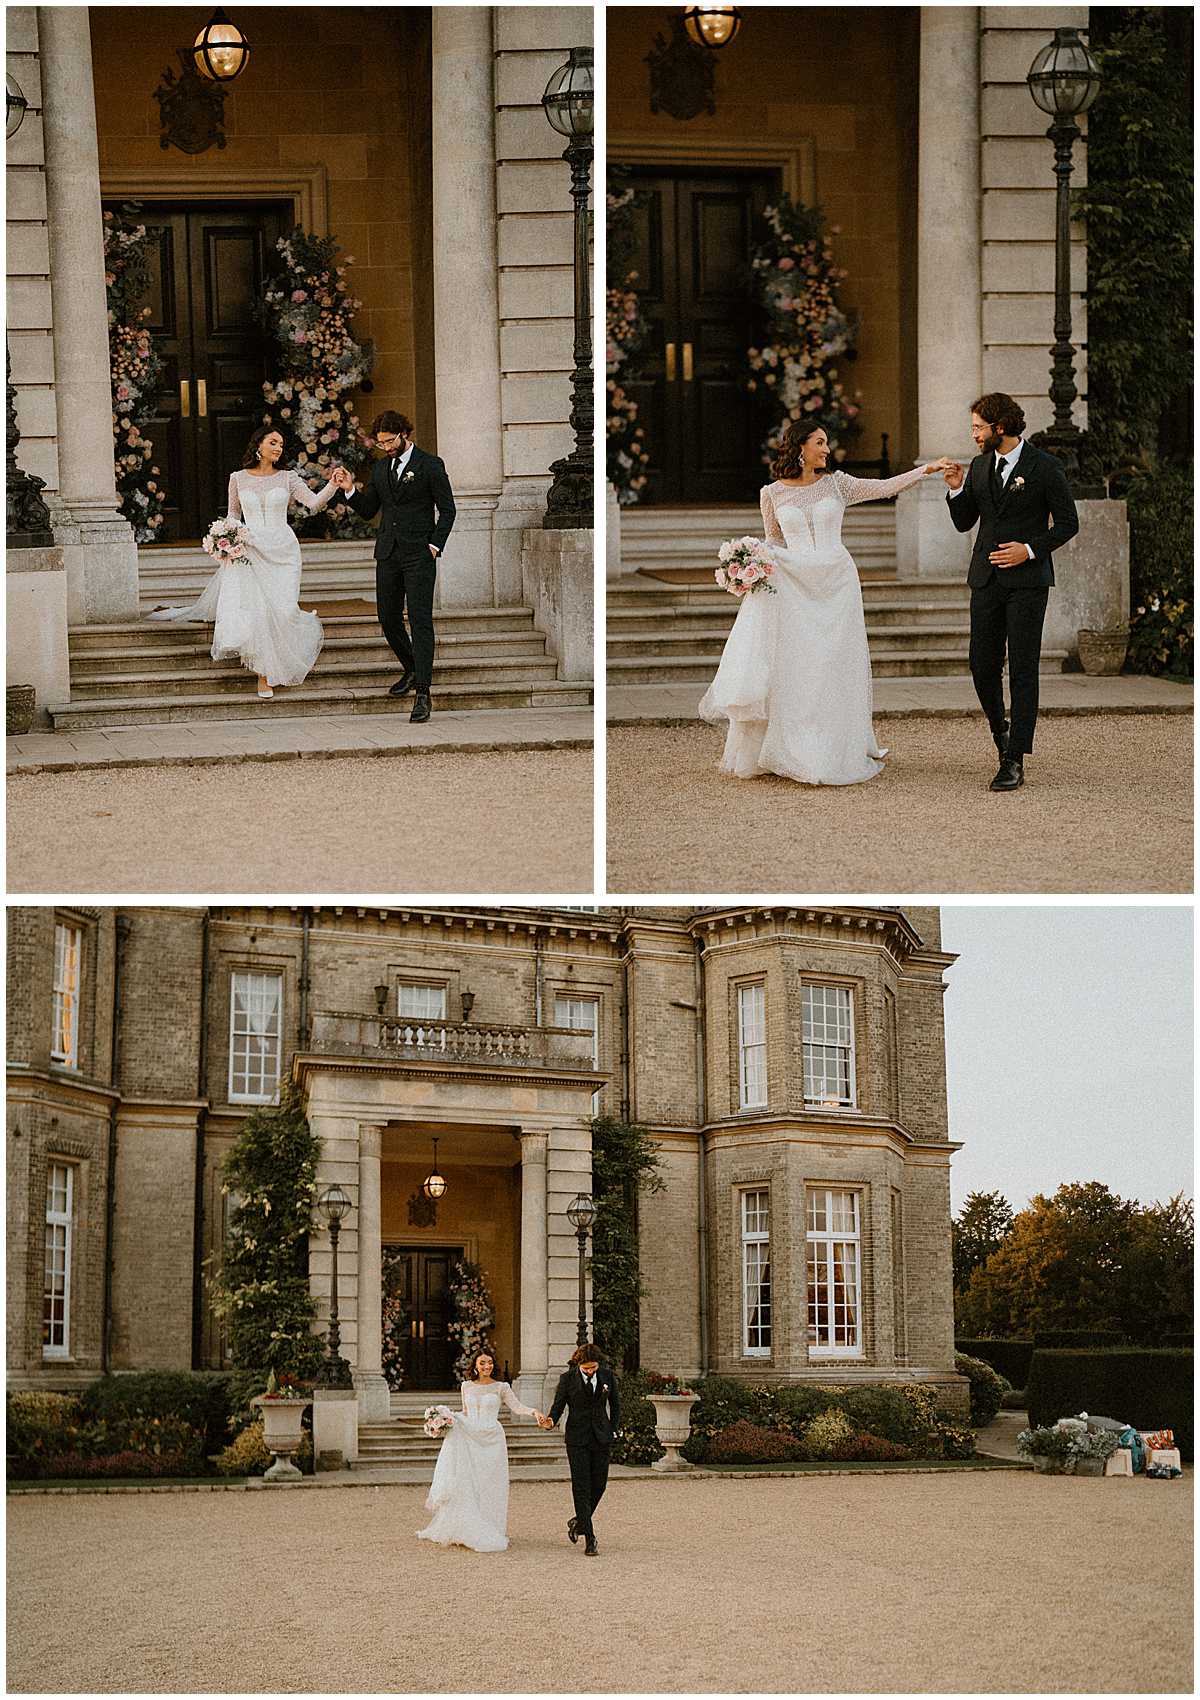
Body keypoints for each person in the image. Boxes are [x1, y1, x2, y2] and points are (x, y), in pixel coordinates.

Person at [698, 423, 952, 784]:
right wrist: (753, 562)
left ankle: (835, 744)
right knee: (798, 664)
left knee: (835, 661)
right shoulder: (771, 493)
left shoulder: (838, 484)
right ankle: (791, 746)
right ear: (800, 448)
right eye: (820, 443)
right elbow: (774, 540)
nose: (827, 449)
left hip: (837, 583)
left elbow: (883, 487)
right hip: (795, 583)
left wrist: (926, 470)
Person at [943, 392, 1080, 791]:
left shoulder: (1046, 466)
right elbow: (965, 522)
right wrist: (955, 490)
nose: (973, 435)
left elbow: (1068, 523)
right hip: (985, 580)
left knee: (1022, 668)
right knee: (981, 666)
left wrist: (1030, 549)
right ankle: (1000, 732)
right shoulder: (980, 464)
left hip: (1028, 584)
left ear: (998, 428)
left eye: (977, 428)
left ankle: (1015, 758)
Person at [147, 426, 336, 698]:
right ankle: (265, 674)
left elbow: (314, 503)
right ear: (258, 445)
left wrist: (333, 484)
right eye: (273, 442)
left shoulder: (288, 478)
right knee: (258, 609)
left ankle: (276, 663)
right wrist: (225, 539)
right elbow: (233, 514)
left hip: (283, 550)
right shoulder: (237, 478)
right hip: (249, 549)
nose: (278, 448)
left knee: (282, 609)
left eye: (281, 444)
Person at [330, 410, 456, 723]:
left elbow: (448, 510)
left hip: (419, 554)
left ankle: (423, 693)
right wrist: (348, 489)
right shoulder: (381, 466)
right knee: (387, 618)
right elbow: (369, 508)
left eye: (390, 441)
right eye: (381, 443)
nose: (386, 447)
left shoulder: (430, 464)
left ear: (404, 434)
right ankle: (412, 667)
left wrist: (434, 545)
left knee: (420, 619)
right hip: (387, 553)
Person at [416, 1350, 546, 1553]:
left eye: (490, 1363)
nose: (487, 1367)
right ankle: (465, 1527)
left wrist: (534, 1412)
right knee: (467, 1482)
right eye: (483, 1363)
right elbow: (466, 1413)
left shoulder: (501, 1387)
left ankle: (490, 1526)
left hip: (492, 1440)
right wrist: (446, 1420)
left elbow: (517, 1407)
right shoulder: (466, 1386)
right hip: (469, 1437)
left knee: (490, 1484)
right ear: (475, 1365)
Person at [541, 1342, 620, 1558]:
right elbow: (558, 1405)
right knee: (581, 1486)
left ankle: (578, 1521)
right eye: (586, 1368)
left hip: (601, 1437)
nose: (591, 1371)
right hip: (577, 1439)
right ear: (579, 1365)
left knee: (600, 1485)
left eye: (593, 1367)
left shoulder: (607, 1376)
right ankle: (590, 1538)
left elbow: (616, 1405)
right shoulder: (567, 1379)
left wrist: (613, 1430)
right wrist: (550, 1421)